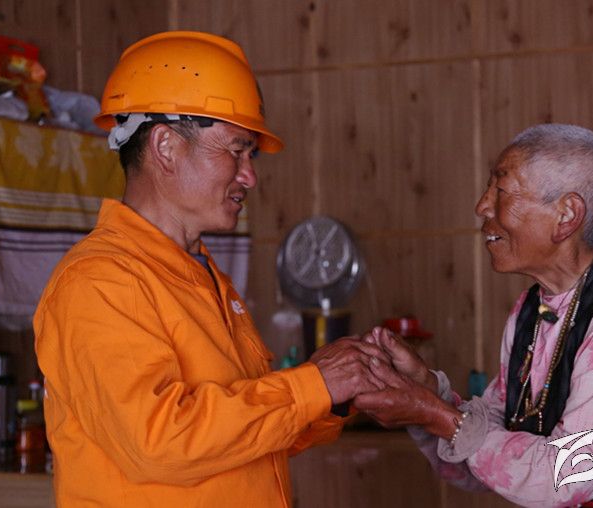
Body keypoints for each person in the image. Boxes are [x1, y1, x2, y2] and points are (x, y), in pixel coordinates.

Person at [34, 31, 389, 507]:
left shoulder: (200, 276)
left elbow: (241, 435)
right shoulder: (100, 281)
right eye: (235, 150)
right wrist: (312, 385)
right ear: (165, 146)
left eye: (250, 155)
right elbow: (162, 442)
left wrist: (336, 394)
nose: (250, 176)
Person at [354, 124, 593, 507]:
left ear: (567, 215)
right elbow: (489, 459)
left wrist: (434, 414)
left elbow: (566, 476)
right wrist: (424, 391)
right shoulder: (534, 309)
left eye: (501, 190)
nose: (482, 206)